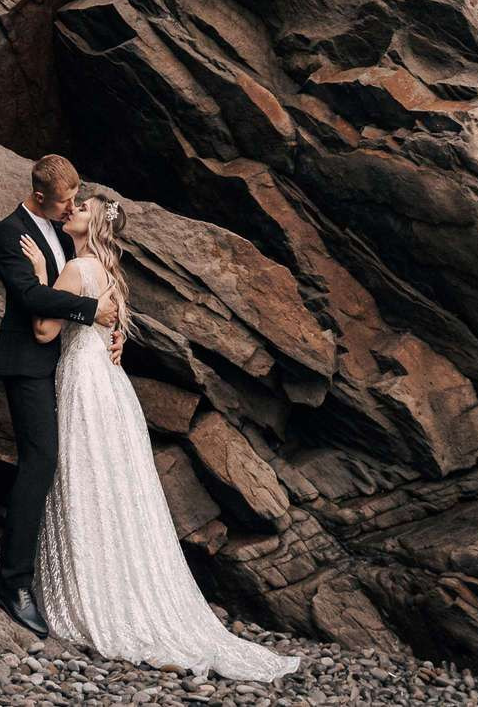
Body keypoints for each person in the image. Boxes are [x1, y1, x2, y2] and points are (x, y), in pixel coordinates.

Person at [22, 194, 301, 682]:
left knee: (84, 484)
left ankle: (95, 597)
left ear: (95, 226)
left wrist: (38, 276)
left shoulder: (75, 270)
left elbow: (45, 331)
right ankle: (129, 590)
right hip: (112, 389)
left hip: (82, 385)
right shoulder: (110, 276)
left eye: (82, 208)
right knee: (115, 489)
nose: (73, 212)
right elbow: (113, 343)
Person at [0, 154, 119, 637]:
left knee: (66, 464)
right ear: (39, 195)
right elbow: (31, 300)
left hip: (63, 365)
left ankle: (61, 575)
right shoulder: (10, 233)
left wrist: (110, 330)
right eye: (64, 201)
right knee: (40, 463)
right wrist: (93, 311)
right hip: (27, 364)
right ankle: (13, 583)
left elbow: (84, 276)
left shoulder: (64, 233)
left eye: (75, 198)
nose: (71, 208)